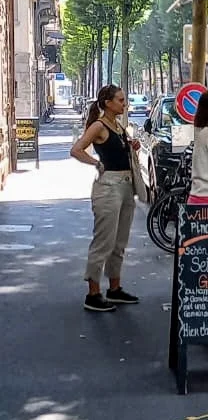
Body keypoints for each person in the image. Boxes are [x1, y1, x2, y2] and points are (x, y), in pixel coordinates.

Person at [70, 84, 142, 312]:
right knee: (104, 241)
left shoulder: (118, 126)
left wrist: (132, 146)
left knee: (119, 242)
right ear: (108, 103)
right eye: (120, 100)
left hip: (126, 185)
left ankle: (114, 288)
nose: (124, 104)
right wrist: (96, 163)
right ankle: (93, 293)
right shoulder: (99, 126)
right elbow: (76, 149)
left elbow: (119, 150)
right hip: (108, 187)